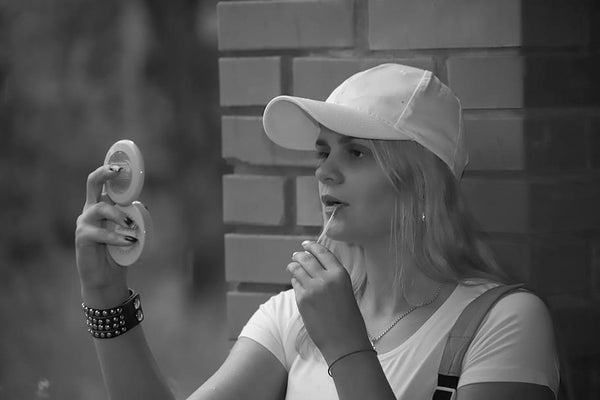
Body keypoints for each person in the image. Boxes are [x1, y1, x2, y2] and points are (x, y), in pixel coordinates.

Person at [75, 63, 559, 400]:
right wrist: (104, 294)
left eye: (356, 153)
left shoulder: (506, 323)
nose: (324, 171)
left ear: (421, 185)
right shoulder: (292, 315)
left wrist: (346, 346)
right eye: (322, 151)